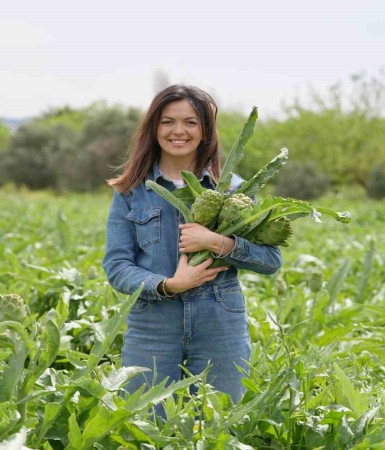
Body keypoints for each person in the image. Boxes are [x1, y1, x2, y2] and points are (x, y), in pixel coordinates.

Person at [102, 84, 282, 405]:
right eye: (167, 121)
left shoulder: (235, 191)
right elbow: (117, 267)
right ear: (153, 128)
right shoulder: (132, 191)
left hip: (220, 326)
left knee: (216, 425)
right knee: (146, 425)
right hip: (152, 327)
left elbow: (270, 261)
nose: (178, 131)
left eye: (190, 122)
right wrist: (168, 285)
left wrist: (218, 243)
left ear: (205, 131)